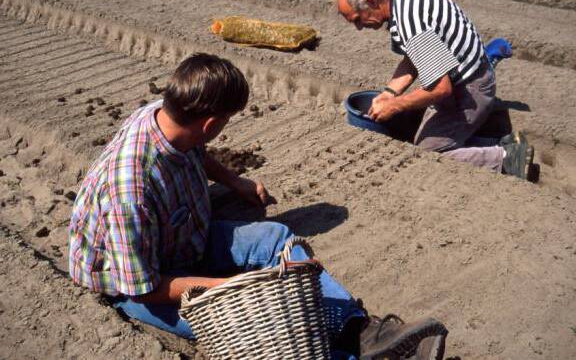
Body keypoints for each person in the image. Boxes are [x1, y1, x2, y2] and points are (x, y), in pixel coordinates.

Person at [68, 52, 448, 359]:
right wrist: (234, 288)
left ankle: (362, 331)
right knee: (261, 314)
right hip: (140, 284)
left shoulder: (168, 113)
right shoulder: (129, 191)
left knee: (277, 238)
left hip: (182, 239)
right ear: (211, 122)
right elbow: (143, 287)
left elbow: (195, 149)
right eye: (227, 120)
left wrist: (236, 181)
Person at [336, 0, 536, 181]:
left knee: (428, 152)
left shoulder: (410, 24)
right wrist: (389, 92)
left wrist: (394, 105)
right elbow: (413, 59)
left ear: (371, 1)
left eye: (357, 19)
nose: (358, 28)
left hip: (470, 89)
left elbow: (441, 89)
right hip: (471, 75)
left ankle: (508, 158)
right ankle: (500, 141)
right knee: (420, 124)